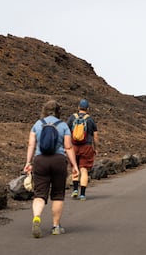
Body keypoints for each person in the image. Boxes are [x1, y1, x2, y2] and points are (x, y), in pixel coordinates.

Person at [23, 100, 79, 238]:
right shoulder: (63, 126)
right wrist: (74, 165)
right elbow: (68, 147)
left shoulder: (37, 124)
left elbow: (31, 144)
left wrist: (28, 162)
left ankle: (37, 217)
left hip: (40, 160)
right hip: (58, 161)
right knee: (58, 194)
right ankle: (56, 226)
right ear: (58, 111)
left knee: (39, 194)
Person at [67, 99, 99, 201]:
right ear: (88, 109)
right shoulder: (90, 120)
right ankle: (82, 194)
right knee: (84, 169)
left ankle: (75, 190)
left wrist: (67, 146)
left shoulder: (72, 118)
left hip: (74, 147)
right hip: (87, 147)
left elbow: (66, 133)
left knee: (74, 167)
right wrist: (96, 148)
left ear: (78, 107)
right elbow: (96, 137)